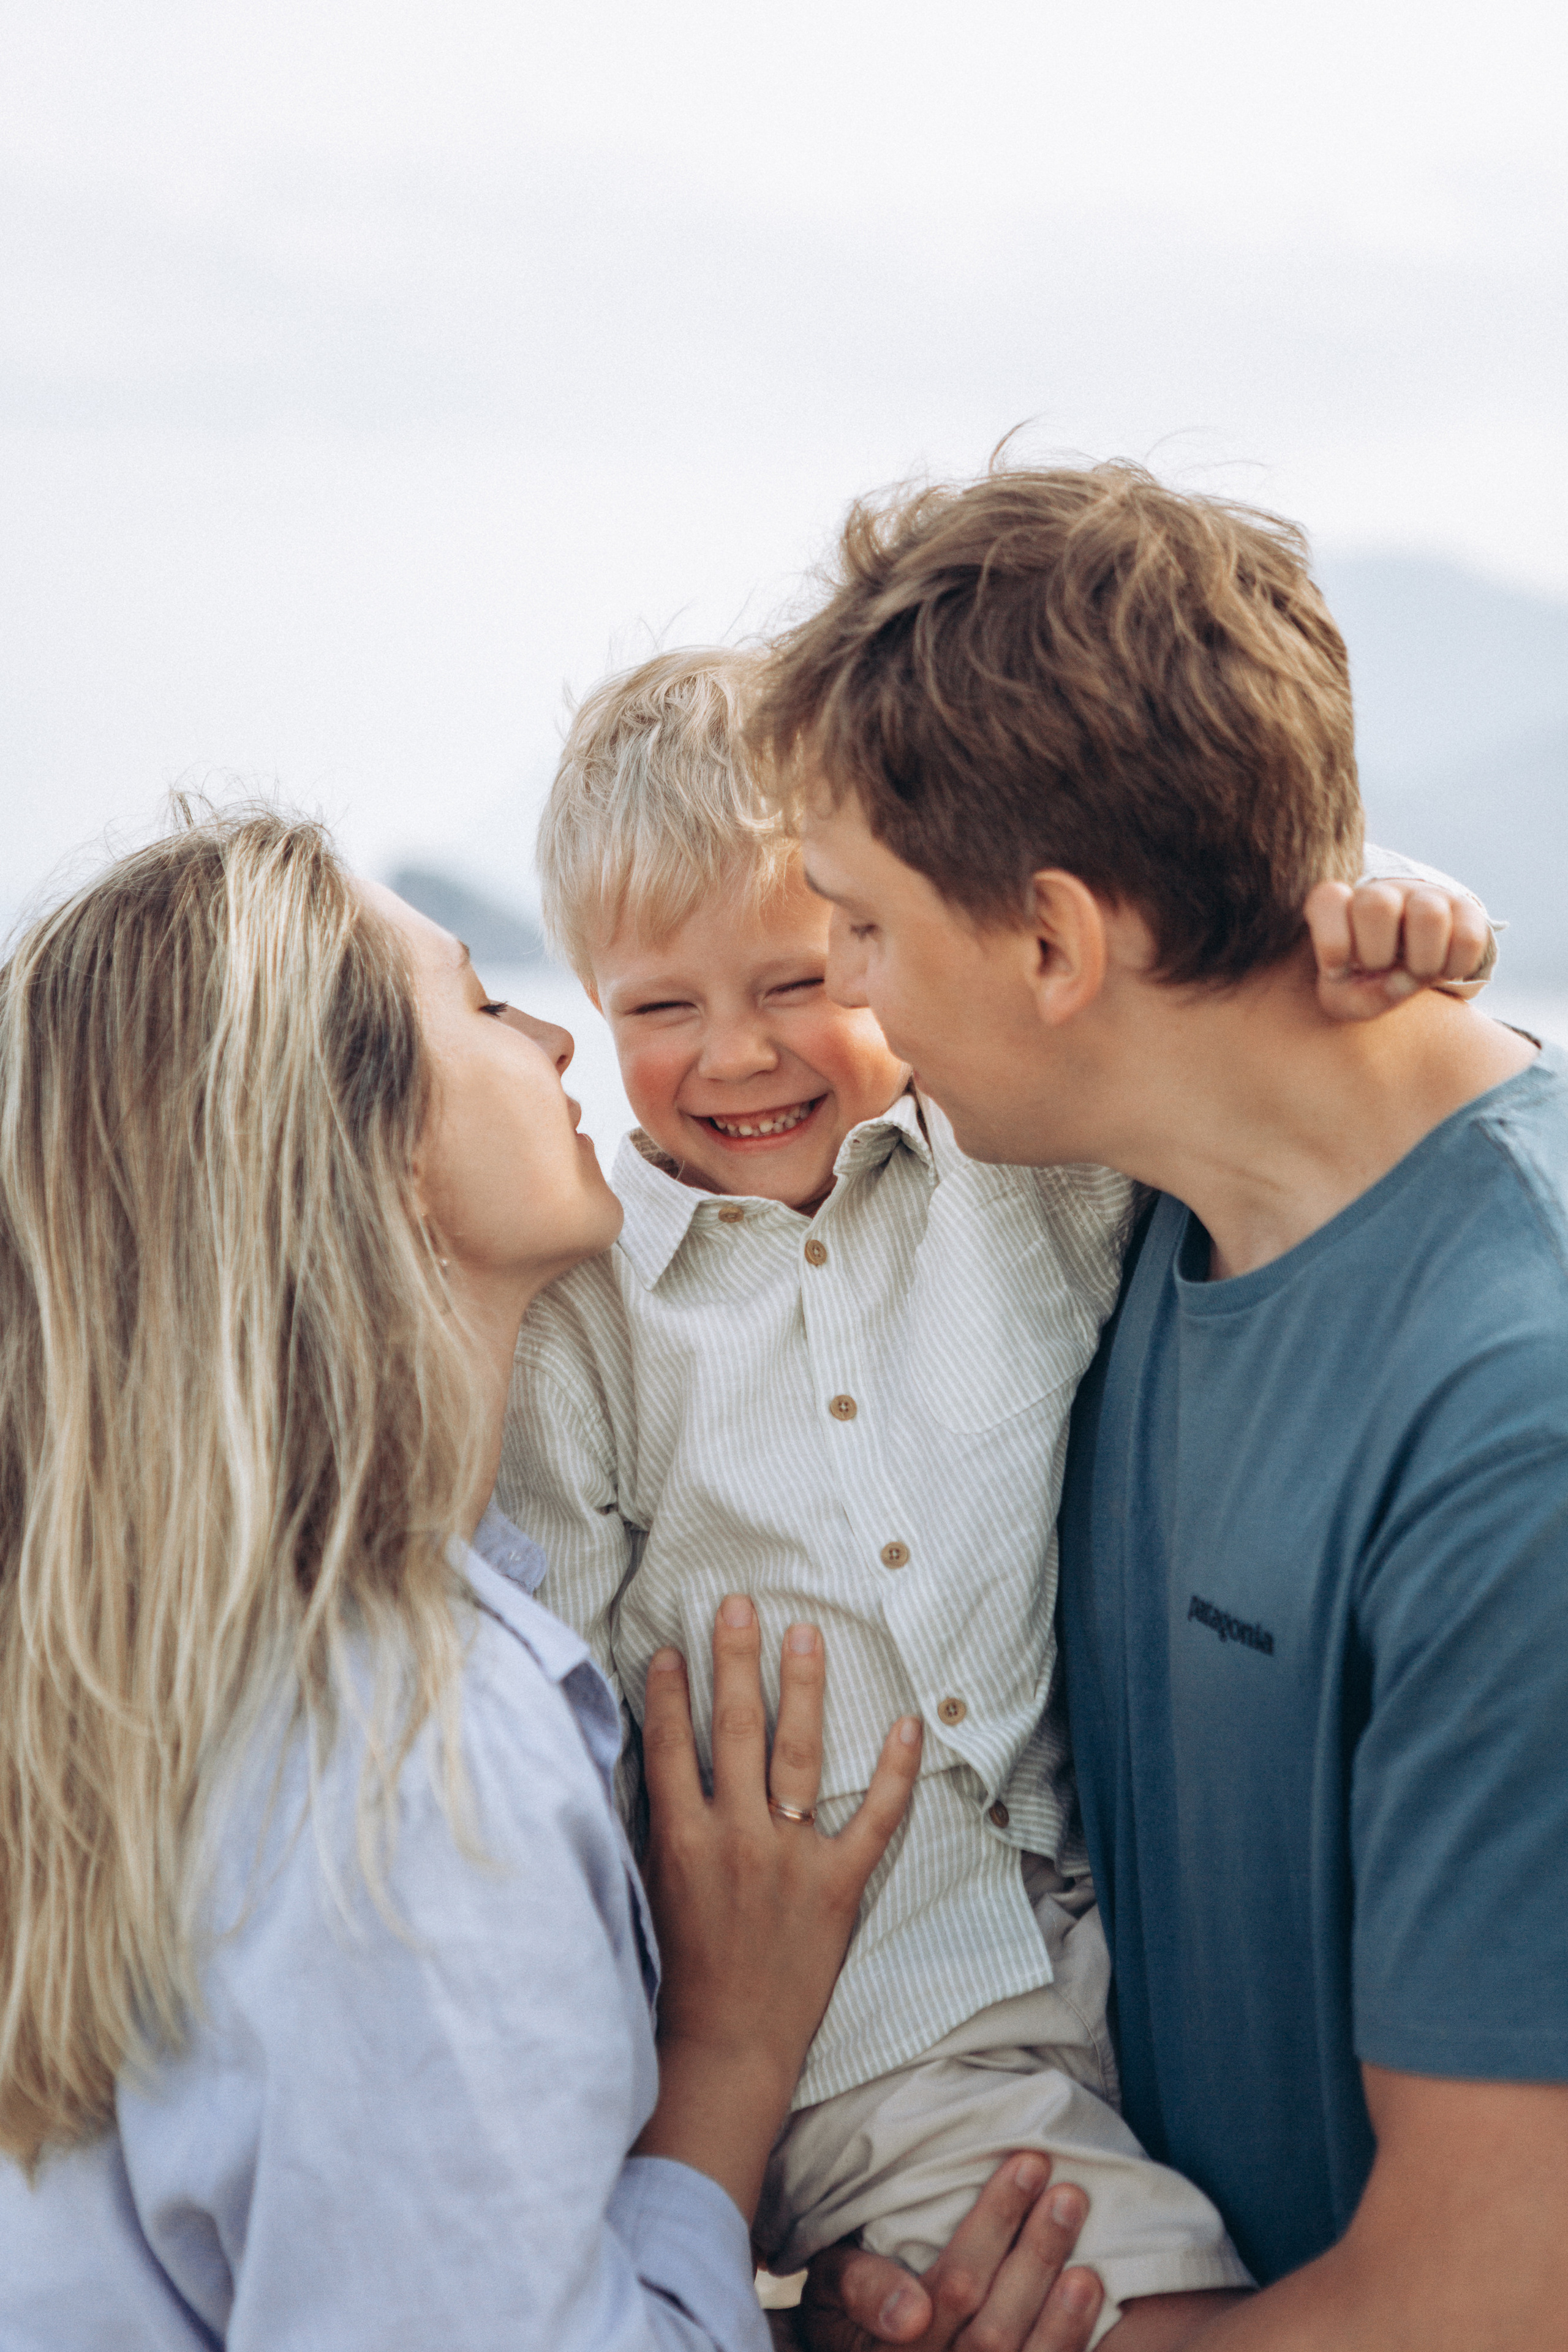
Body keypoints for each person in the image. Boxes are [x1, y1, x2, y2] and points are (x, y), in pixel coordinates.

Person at [498, 650, 1493, 2347]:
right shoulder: (585, 1317)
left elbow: (1197, 1033)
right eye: (659, 1011)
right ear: (594, 1001)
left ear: (891, 947)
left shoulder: (1010, 1176)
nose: (735, 1054)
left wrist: (1368, 912)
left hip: (1118, 1937)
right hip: (865, 2025)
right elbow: (559, 1723)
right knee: (1122, 2300)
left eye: (797, 979)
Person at [746, 464, 1568, 2351]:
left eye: (860, 930)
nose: (846, 1002)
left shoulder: (1516, 1426)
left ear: (1053, 948)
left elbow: (1499, 2297)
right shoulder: (1116, 1216)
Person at [0, 806, 942, 2352]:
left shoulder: (181, 1675)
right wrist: (729, 2048)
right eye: (486, 1005)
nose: (558, 1043)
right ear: (364, 1149)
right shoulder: (403, 1771)